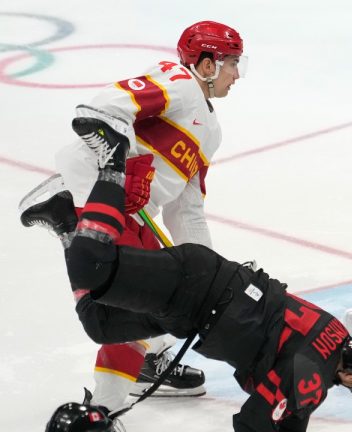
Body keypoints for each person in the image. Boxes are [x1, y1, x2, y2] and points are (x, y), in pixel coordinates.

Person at [35, 108, 352, 432]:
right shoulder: (313, 376)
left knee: (103, 326)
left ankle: (66, 219)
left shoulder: (332, 339)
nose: (351, 386)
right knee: (91, 267)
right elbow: (252, 422)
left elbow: (291, 408)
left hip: (196, 306)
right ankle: (112, 163)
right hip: (196, 289)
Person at [19, 20, 246, 410]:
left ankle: (147, 360)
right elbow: (101, 108)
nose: (237, 75)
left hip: (137, 214)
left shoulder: (211, 130)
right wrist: (122, 164)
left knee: (164, 297)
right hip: (103, 193)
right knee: (135, 303)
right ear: (207, 65)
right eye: (232, 64)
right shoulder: (178, 81)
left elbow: (186, 207)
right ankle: (102, 410)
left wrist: (208, 271)